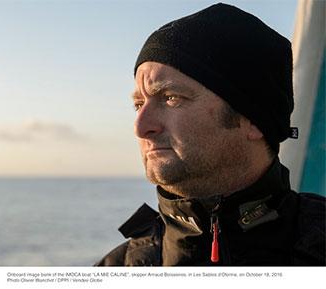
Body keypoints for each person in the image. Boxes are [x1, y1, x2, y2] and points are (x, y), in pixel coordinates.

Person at [96, 3, 325, 266]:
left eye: (170, 98)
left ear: (253, 120)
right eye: (139, 104)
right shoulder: (117, 268)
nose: (140, 127)